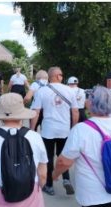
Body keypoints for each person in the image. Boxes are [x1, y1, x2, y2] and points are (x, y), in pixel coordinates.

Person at [31, 66, 78, 196]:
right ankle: (66, 179)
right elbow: (75, 111)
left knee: (49, 157)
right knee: (64, 155)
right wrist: (74, 128)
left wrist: (32, 129)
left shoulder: (41, 91)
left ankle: (50, 185)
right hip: (64, 129)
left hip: (48, 130)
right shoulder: (70, 90)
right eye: (61, 75)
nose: (62, 77)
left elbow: (36, 111)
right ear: (57, 76)